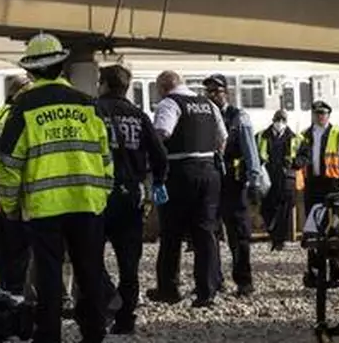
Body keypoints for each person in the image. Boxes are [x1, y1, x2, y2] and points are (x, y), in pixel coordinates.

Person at [0, 33, 112, 343]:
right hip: (88, 203)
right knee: (89, 271)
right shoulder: (88, 104)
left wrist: (8, 207)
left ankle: (48, 336)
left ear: (31, 71)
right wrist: (102, 195)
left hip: (44, 207)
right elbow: (105, 157)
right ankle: (94, 333)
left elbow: (9, 165)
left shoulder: (24, 107)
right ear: (61, 66)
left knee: (48, 276)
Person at [95, 65, 167, 334]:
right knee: (128, 263)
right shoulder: (139, 116)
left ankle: (104, 301)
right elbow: (159, 156)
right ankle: (125, 320)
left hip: (97, 195)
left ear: (102, 84)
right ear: (126, 87)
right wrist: (157, 182)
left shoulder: (93, 111)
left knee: (89, 256)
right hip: (131, 195)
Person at [146, 70, 227, 309]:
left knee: (171, 233)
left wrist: (152, 164)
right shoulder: (209, 104)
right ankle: (207, 291)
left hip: (180, 171)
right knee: (205, 233)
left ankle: (168, 288)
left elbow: (162, 134)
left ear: (163, 88)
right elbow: (223, 137)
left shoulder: (170, 103)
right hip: (210, 172)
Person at [202, 74, 259, 298]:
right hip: (212, 182)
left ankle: (244, 281)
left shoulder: (238, 117)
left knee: (239, 235)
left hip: (234, 182)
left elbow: (250, 149)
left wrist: (254, 179)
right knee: (210, 232)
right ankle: (215, 281)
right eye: (209, 92)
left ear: (226, 92)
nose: (213, 96)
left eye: (217, 91)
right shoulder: (205, 116)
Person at [293, 100, 339, 290]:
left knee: (333, 228)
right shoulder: (305, 135)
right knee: (313, 228)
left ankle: (336, 271)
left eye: (323, 113)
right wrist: (296, 162)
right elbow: (301, 155)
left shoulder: (338, 134)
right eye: (317, 112)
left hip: (331, 185)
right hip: (312, 185)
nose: (320, 116)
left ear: (329, 115)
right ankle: (315, 272)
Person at [0, 75, 33, 296]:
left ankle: (3, 287)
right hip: (18, 191)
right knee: (20, 248)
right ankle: (17, 292)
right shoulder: (23, 116)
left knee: (0, 247)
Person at [256, 110, 302, 250]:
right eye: (278, 119)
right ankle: (273, 232)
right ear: (273, 119)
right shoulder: (261, 136)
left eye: (283, 120)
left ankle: (279, 240)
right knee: (266, 208)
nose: (280, 123)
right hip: (267, 176)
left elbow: (305, 155)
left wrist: (295, 163)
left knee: (285, 209)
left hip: (286, 177)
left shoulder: (295, 137)